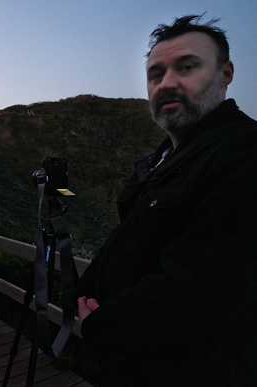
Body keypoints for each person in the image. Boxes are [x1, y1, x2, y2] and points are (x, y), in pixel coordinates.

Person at [75, 14, 257, 386]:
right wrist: (83, 293)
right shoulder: (163, 160)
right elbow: (129, 239)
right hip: (131, 367)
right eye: (156, 75)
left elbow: (199, 288)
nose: (167, 83)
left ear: (226, 73)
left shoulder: (244, 151)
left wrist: (100, 325)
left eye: (187, 67)